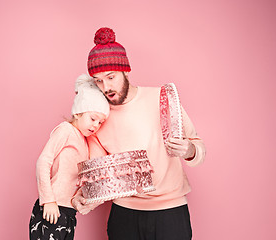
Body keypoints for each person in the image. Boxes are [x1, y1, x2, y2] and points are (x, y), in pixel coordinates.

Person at [71, 27, 206, 240]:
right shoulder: (99, 117)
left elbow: (198, 149)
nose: (105, 87)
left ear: (125, 70)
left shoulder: (163, 98)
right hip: (124, 215)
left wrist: (189, 150)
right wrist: (86, 196)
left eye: (111, 77)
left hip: (170, 212)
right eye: (98, 80)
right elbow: (98, 170)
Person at [29, 74, 110, 240]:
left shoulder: (85, 141)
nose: (95, 125)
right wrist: (48, 200)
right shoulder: (65, 130)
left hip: (69, 212)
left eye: (100, 122)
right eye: (93, 118)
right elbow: (43, 162)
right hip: (52, 207)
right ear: (79, 113)